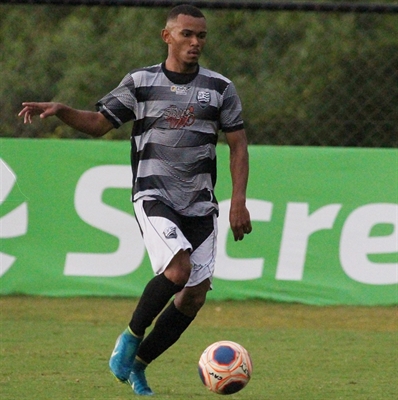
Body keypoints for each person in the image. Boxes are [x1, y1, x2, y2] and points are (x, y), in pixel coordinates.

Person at [19, 4, 252, 396]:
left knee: (193, 295)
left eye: (201, 36)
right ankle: (128, 340)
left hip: (200, 202)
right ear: (167, 36)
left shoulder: (220, 88)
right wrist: (62, 111)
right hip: (154, 193)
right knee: (177, 270)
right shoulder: (141, 82)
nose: (195, 43)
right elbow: (98, 124)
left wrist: (238, 201)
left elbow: (238, 145)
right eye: (187, 34)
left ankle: (139, 366)